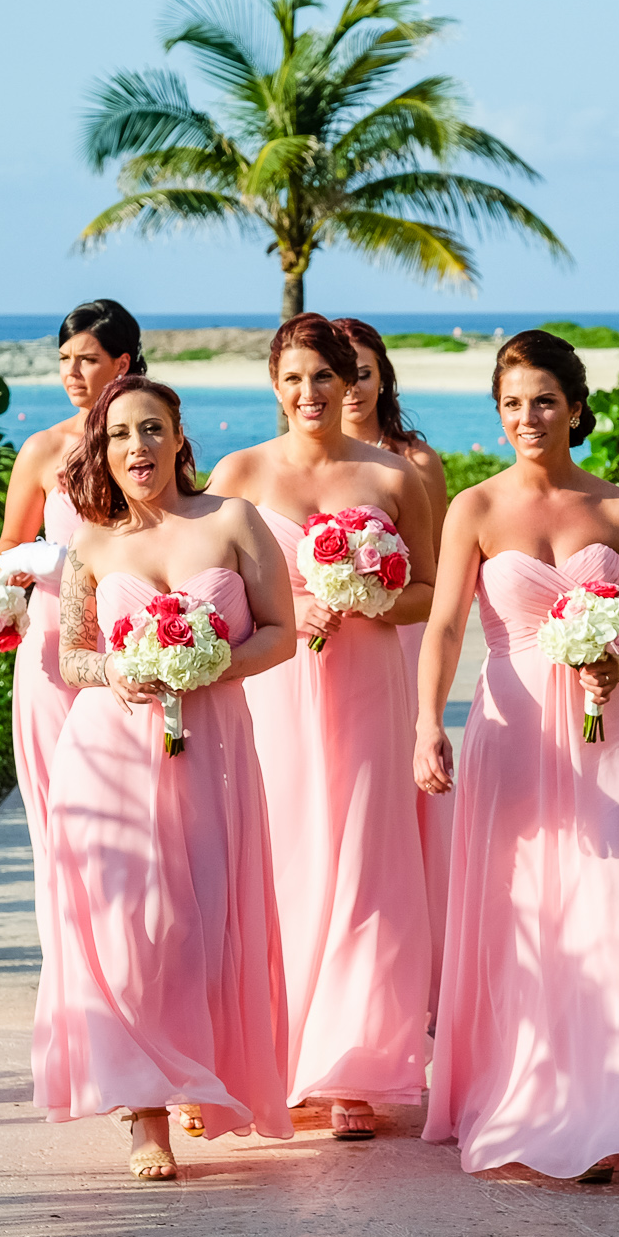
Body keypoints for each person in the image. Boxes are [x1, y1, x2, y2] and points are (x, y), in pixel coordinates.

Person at [414, 329, 619, 1184]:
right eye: (513, 403)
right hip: (513, 726)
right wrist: (426, 722)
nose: (529, 416)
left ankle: (599, 1111)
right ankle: (522, 1096)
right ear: (497, 413)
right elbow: (446, 624)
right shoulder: (476, 509)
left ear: (577, 406)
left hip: (606, 729)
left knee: (601, 910)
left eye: (545, 400)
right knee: (520, 912)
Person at [35, 375, 297, 1181]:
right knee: (127, 926)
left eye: (151, 429)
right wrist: (120, 666)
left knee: (196, 923)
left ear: (180, 436)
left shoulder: (233, 521)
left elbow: (283, 634)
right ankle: (145, 1114)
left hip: (209, 753)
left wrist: (211, 661)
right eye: (118, 435)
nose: (136, 448)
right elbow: (69, 656)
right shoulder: (92, 542)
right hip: (107, 758)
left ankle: (185, 1067)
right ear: (102, 450)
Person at [207, 313, 436, 1142]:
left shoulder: (391, 477)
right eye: (295, 378)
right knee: (280, 857)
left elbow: (430, 594)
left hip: (370, 682)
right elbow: (212, 586)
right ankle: (265, 1058)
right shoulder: (238, 472)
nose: (310, 393)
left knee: (365, 860)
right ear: (275, 383)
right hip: (275, 685)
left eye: (326, 378)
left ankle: (348, 1068)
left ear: (352, 384)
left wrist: (365, 595)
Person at [0, 300, 141, 878]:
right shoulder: (42, 450)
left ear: (122, 364)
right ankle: (66, 956)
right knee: (59, 811)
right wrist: (39, 564)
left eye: (87, 359)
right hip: (52, 645)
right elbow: (7, 547)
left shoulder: (147, 446)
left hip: (128, 640)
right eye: (63, 359)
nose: (71, 373)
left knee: (128, 806)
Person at [335, 316, 452, 1014]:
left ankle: (415, 971)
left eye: (362, 372)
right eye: (336, 372)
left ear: (383, 377)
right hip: (317, 647)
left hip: (397, 636)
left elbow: (429, 569)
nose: (350, 386)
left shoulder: (413, 460)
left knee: (400, 802)